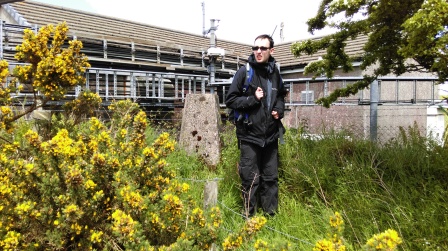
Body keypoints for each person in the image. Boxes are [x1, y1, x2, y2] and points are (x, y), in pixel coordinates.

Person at [225, 34, 287, 218]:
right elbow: (230, 100)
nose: (258, 52)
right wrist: (253, 99)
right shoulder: (245, 72)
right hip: (249, 135)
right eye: (255, 48)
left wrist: (279, 110)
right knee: (250, 180)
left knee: (270, 179)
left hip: (270, 136)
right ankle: (248, 218)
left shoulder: (275, 73)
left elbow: (281, 96)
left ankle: (270, 217)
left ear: (271, 51)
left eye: (263, 48)